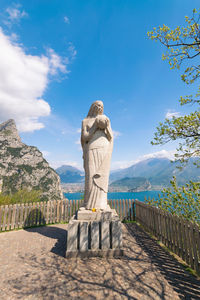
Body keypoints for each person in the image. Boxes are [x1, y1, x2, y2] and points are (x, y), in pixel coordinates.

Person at [81, 100, 113, 210]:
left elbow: (111, 137)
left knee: (103, 176)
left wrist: (107, 126)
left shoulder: (105, 119)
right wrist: (95, 126)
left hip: (104, 148)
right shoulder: (85, 121)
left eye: (102, 106)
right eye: (98, 105)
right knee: (91, 176)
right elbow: (84, 137)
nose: (100, 107)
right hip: (91, 148)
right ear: (93, 107)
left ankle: (101, 203)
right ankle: (89, 204)